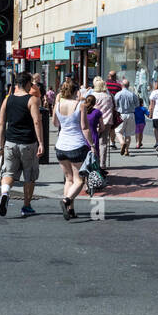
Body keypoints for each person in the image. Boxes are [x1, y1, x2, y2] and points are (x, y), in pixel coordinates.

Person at [0, 72, 44, 217]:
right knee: (29, 175)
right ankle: (26, 205)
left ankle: (5, 193)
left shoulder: (7, 100)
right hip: (28, 142)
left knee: (8, 172)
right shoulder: (32, 100)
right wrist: (41, 142)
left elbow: (2, 124)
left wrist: (0, 145)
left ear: (16, 84)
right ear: (28, 83)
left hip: (10, 142)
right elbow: (37, 122)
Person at [52, 79, 92, 220]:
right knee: (79, 180)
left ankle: (71, 210)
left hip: (60, 146)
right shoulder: (80, 105)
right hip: (76, 145)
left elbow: (55, 123)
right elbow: (85, 127)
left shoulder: (58, 104)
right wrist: (92, 144)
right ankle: (66, 201)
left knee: (68, 180)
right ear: (76, 91)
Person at [90, 76, 117, 163]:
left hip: (95, 121)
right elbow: (113, 108)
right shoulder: (109, 96)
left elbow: (92, 108)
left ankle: (94, 161)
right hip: (107, 121)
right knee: (103, 143)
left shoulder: (94, 96)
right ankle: (102, 163)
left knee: (93, 141)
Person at [114, 77, 138, 156]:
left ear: (122, 85)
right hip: (131, 114)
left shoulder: (118, 94)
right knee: (128, 134)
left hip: (121, 114)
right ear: (128, 85)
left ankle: (121, 142)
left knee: (118, 131)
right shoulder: (132, 94)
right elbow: (137, 104)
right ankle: (127, 150)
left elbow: (115, 104)